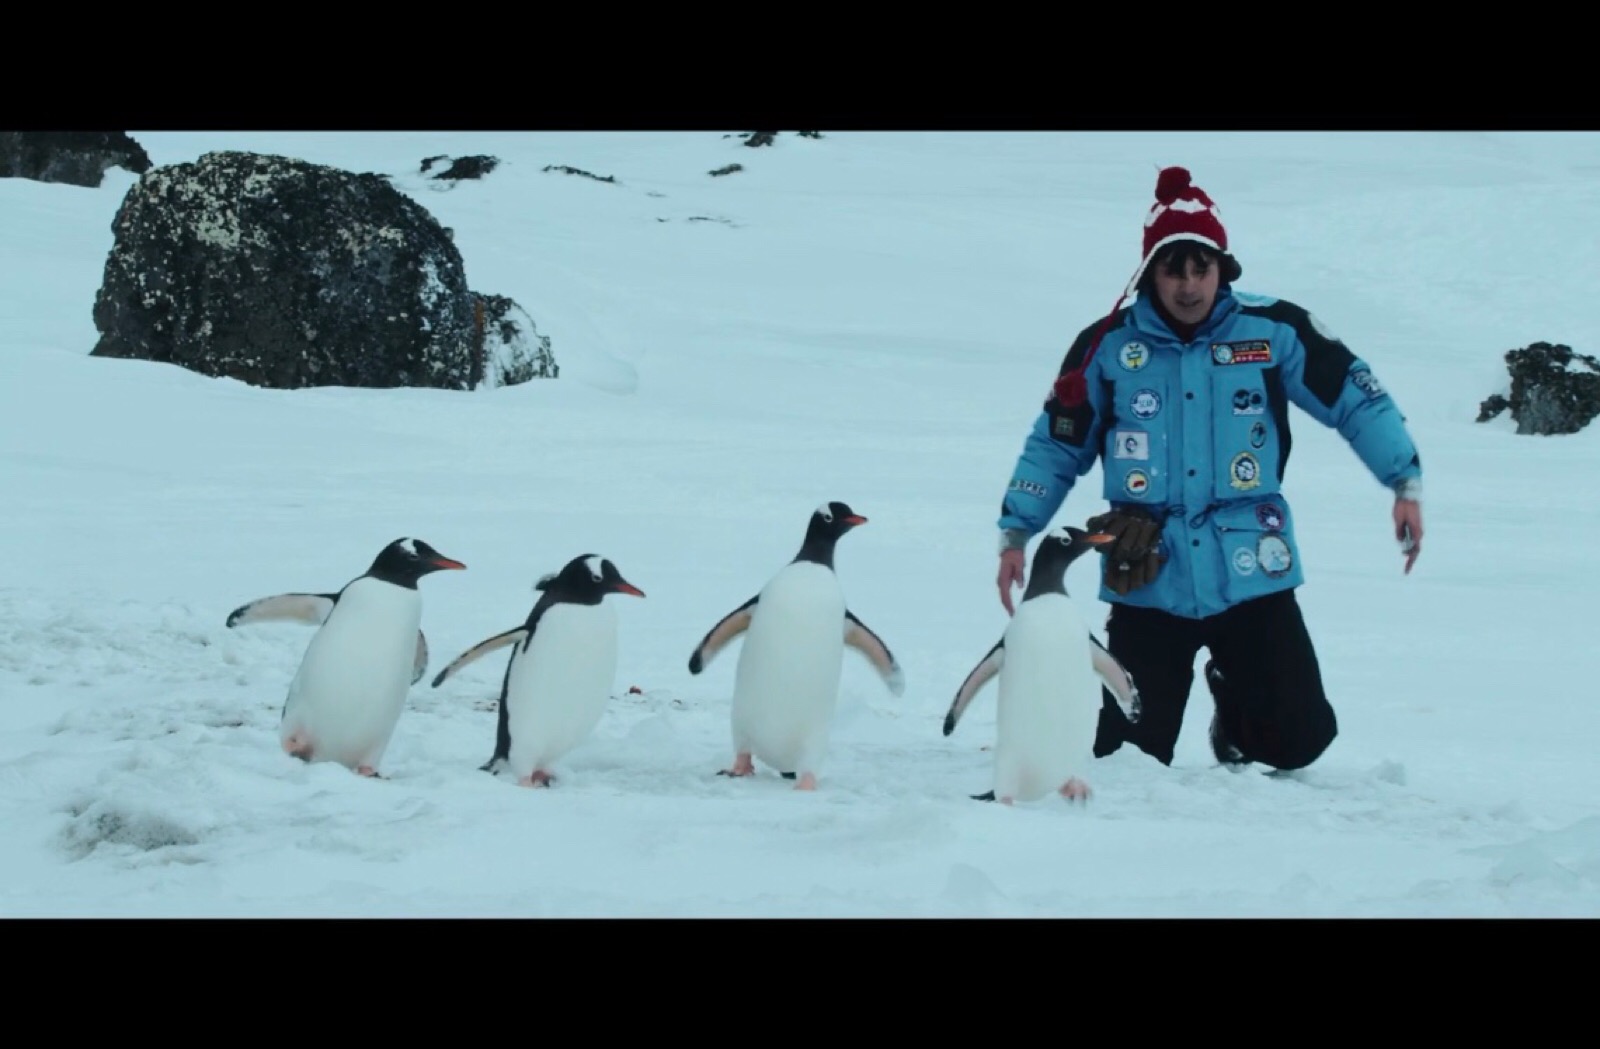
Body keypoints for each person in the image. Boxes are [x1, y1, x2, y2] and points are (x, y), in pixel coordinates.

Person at [994, 165, 1423, 772]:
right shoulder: (1108, 346)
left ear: (1224, 269)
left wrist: (1403, 480)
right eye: (1174, 269)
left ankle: (1233, 704)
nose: (1189, 285)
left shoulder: (1275, 331)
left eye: (1202, 267)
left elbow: (1357, 399)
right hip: (1148, 573)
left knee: (1298, 743)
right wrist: (1017, 530)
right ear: (1150, 273)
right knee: (1128, 758)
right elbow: (1057, 443)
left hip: (1251, 568)